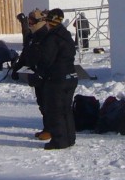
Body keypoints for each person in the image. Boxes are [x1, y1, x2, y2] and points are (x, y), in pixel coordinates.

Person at [32, 8, 78, 150]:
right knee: (66, 110)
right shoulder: (66, 35)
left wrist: (38, 72)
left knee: (55, 110)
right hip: (70, 76)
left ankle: (59, 140)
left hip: (57, 79)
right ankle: (69, 138)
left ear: (50, 21)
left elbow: (46, 60)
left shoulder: (52, 38)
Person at [11, 9, 50, 138]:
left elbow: (49, 57)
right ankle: (47, 128)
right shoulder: (32, 36)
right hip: (35, 75)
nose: (30, 24)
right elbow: (26, 52)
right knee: (42, 104)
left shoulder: (46, 36)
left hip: (46, 76)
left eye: (32, 21)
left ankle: (51, 130)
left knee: (49, 104)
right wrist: (17, 67)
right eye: (29, 21)